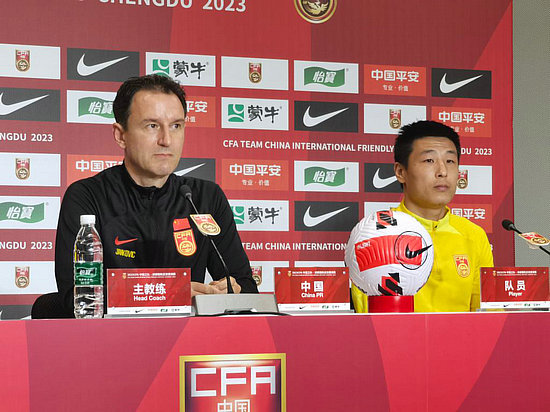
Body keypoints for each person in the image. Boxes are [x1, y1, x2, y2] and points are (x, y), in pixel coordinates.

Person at [54, 74, 257, 317]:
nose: (166, 140)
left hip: (189, 337)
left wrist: (232, 289)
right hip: (111, 337)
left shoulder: (204, 197)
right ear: (120, 135)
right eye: (152, 126)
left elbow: (246, 287)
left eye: (176, 126)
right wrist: (171, 295)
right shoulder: (87, 196)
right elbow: (76, 297)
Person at [352, 120, 493, 312]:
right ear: (401, 172)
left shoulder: (474, 235)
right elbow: (369, 316)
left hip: (465, 333)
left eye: (450, 161)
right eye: (429, 161)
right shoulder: (376, 233)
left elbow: (489, 314)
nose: (442, 172)